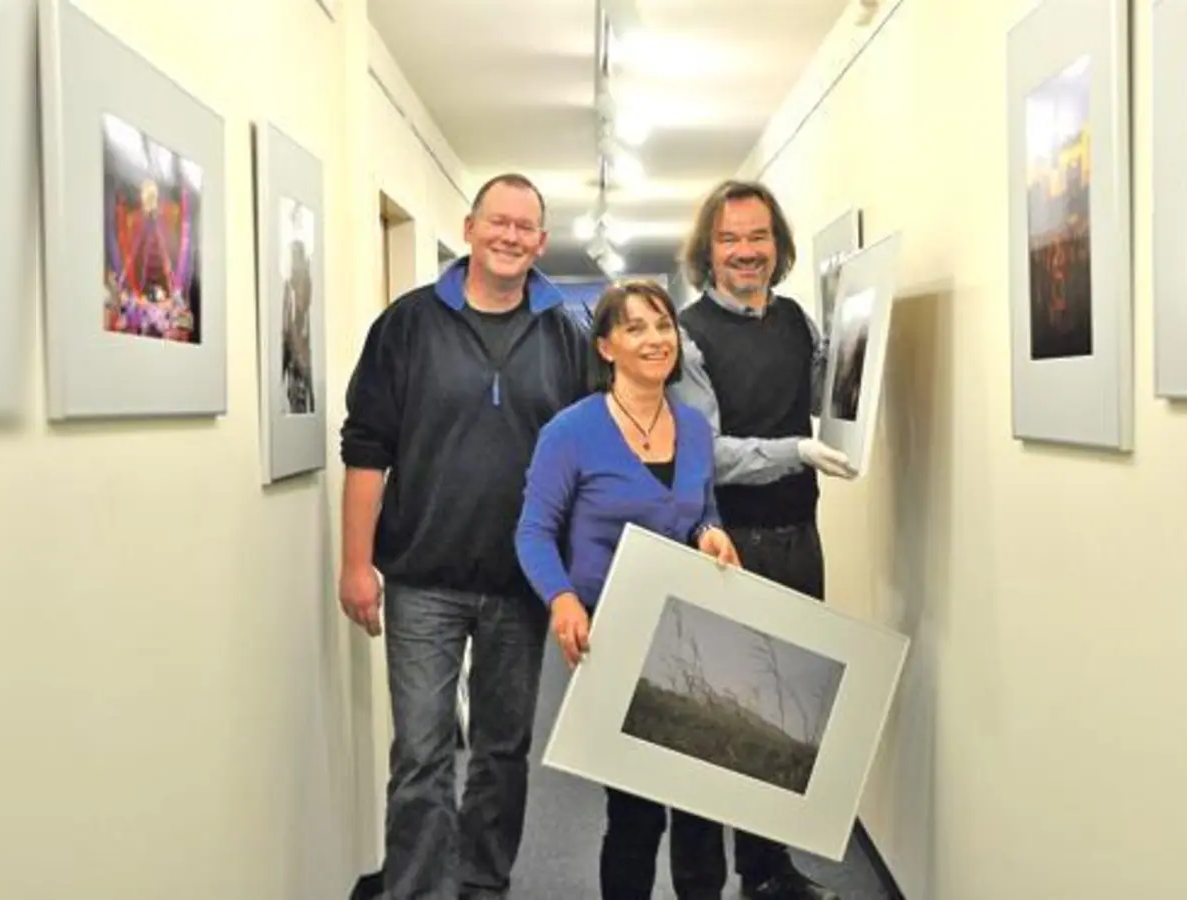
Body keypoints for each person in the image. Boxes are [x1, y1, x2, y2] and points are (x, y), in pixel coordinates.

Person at [338, 173, 593, 900]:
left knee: (502, 752)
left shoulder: (568, 333)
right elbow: (366, 449)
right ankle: (419, 889)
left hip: (523, 584)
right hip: (422, 578)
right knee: (421, 753)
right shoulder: (408, 324)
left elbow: (594, 454)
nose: (511, 237)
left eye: (526, 227)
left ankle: (483, 885)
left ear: (541, 241)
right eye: (498, 222)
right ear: (471, 227)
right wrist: (356, 565)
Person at [514, 279, 741, 900]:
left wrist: (711, 534)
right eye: (635, 327)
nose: (654, 339)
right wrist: (562, 599)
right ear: (607, 346)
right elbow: (534, 532)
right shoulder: (571, 431)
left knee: (701, 804)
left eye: (663, 325)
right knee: (636, 812)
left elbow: (702, 511)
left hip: (691, 634)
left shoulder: (693, 428)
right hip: (614, 633)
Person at [668, 179, 853, 900]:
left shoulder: (797, 320)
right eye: (730, 240)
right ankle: (699, 883)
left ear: (777, 247)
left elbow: (819, 402)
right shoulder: (687, 336)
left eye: (758, 238)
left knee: (784, 715)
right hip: (722, 544)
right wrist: (797, 452)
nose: (745, 252)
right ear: (706, 251)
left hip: (798, 537)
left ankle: (768, 873)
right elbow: (704, 454)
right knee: (709, 720)